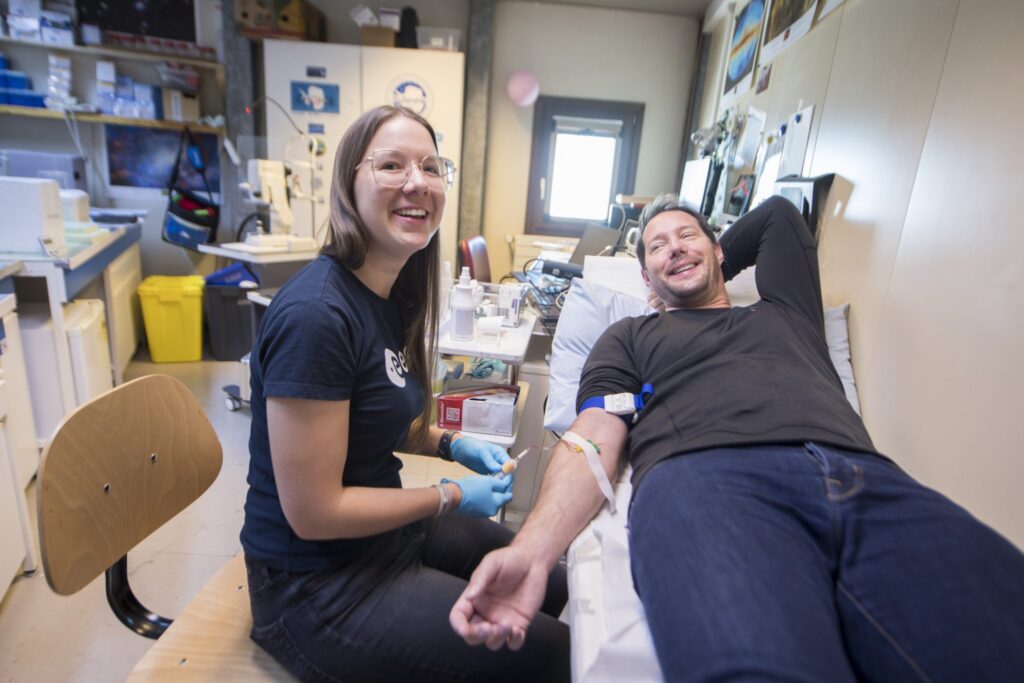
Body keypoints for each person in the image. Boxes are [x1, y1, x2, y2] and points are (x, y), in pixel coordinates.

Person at [450, 194, 1024, 681]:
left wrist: (704, 249)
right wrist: (533, 550)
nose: (675, 248)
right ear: (645, 279)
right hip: (707, 482)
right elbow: (593, 435)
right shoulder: (628, 337)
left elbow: (779, 215)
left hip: (861, 475)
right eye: (657, 247)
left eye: (688, 237)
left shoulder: (788, 312)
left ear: (721, 250)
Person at [240, 105, 570, 683]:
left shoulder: (386, 294)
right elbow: (314, 512)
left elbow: (371, 416)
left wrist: (449, 443)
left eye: (431, 167)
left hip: (379, 540)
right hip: (316, 586)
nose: (417, 182)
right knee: (556, 656)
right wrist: (448, 495)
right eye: (391, 165)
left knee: (552, 583)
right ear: (349, 186)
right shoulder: (317, 316)